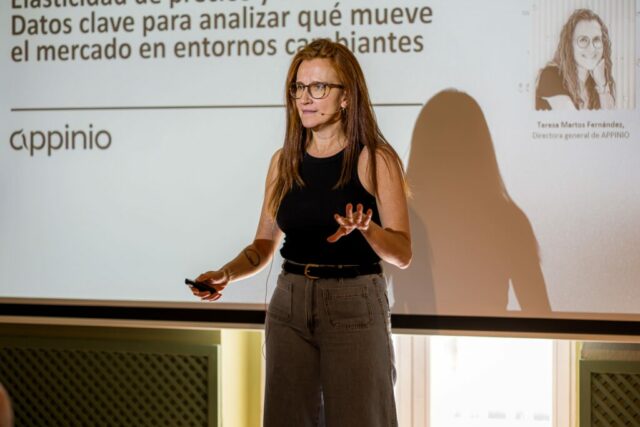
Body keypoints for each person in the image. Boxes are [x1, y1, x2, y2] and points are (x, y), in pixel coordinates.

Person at [190, 39, 411, 426]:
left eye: (319, 87)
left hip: (353, 302)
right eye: (299, 87)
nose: (305, 98)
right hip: (289, 302)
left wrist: (368, 228)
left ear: (346, 97)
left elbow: (402, 253)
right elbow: (263, 245)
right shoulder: (284, 162)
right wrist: (226, 273)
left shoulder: (375, 159)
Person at [535, 8, 615, 110]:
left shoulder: (594, 83)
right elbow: (573, 119)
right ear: (569, 45)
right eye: (583, 40)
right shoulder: (550, 76)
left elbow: (610, 117)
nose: (591, 48)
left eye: (596, 39)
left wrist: (602, 85)